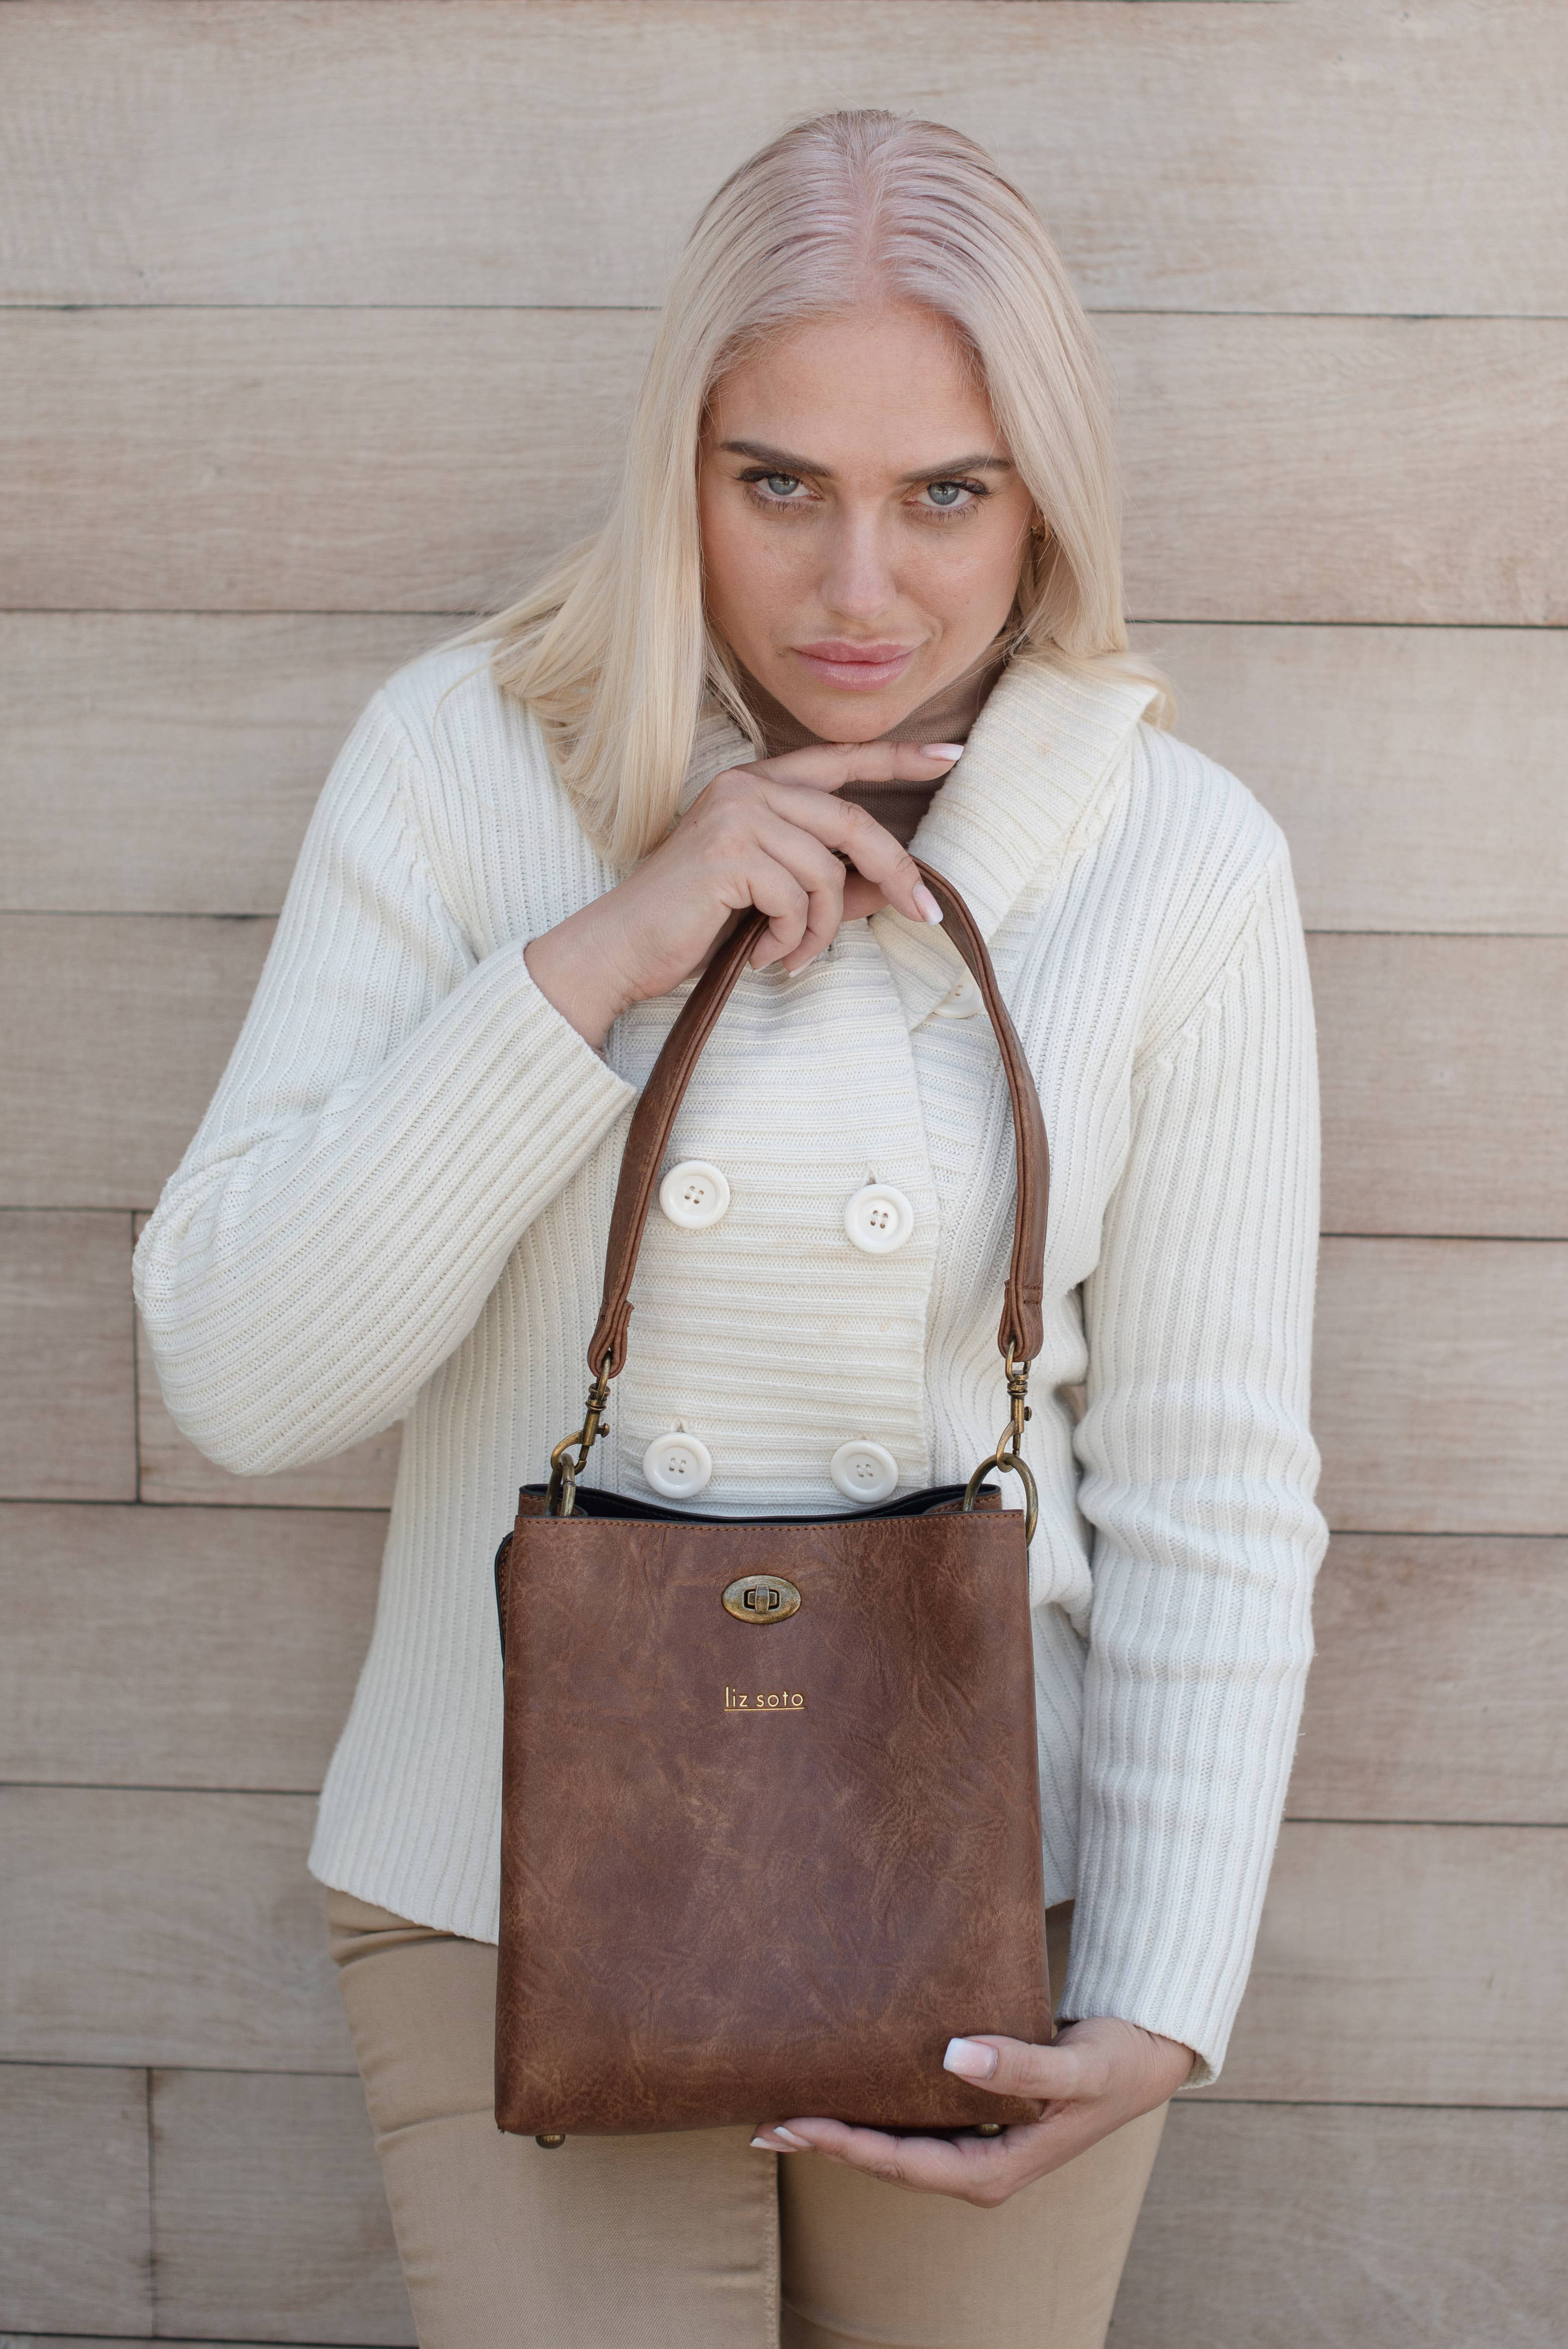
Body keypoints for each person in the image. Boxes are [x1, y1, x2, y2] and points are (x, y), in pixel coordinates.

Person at [135, 110, 1325, 2349]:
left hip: (996, 1886)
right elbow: (239, 1370)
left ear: (1044, 496)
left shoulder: (1173, 857)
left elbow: (1211, 1473)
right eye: (778, 481)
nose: (858, 587)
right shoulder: (467, 760)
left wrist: (1163, 1986)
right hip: (511, 1870)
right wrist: (604, 954)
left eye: (945, 493)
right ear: (672, 466)